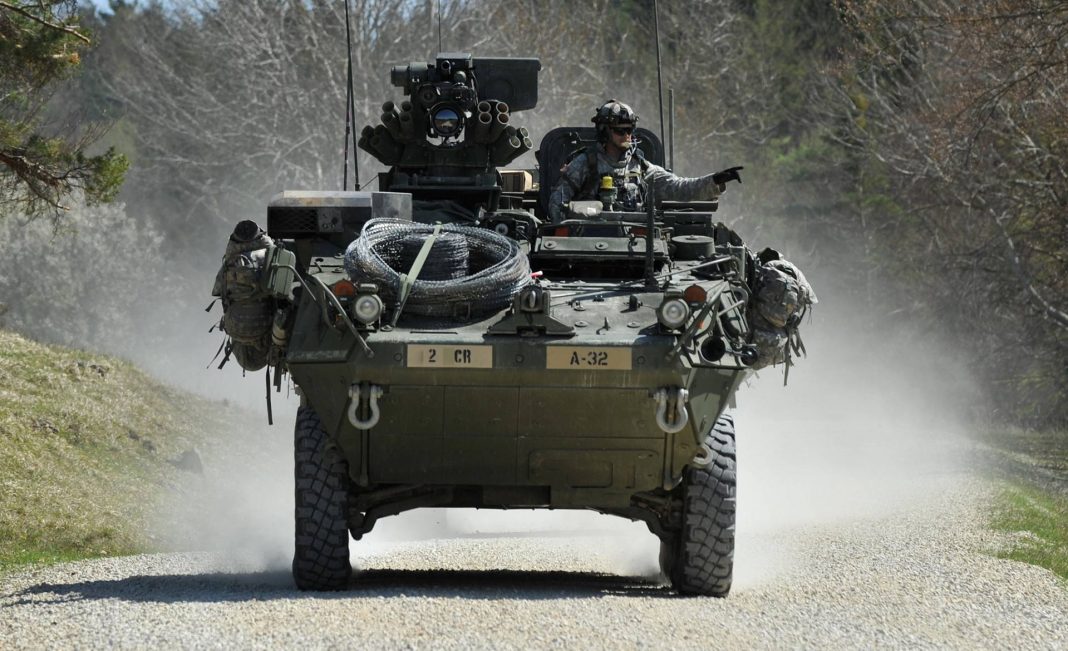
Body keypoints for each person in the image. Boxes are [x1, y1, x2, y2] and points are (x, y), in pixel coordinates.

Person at [548, 99, 733, 223]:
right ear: (605, 131)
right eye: (620, 131)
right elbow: (557, 204)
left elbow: (680, 188)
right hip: (589, 244)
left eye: (630, 130)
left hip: (637, 245)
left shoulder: (643, 169)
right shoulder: (584, 164)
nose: (627, 135)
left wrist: (714, 181)